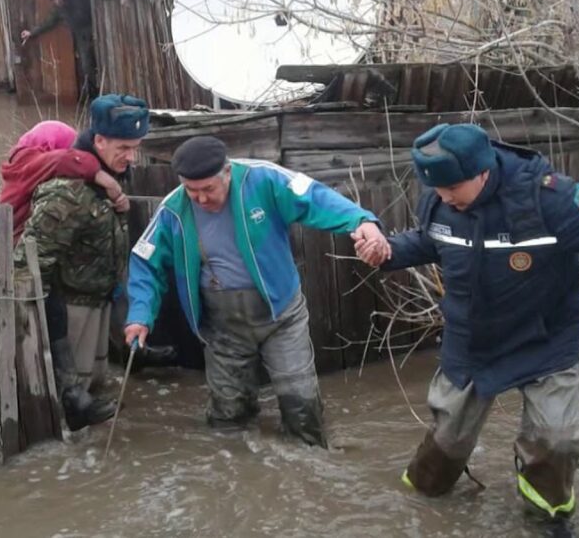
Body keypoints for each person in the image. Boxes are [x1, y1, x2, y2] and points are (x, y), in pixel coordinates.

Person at [358, 123, 579, 519]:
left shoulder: (548, 200)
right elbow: (432, 240)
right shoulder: (441, 201)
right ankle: (421, 507)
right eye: (436, 189)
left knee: (557, 441)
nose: (443, 197)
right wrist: (389, 252)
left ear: (483, 171)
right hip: (473, 340)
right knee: (447, 442)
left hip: (545, 340)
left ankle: (548, 517)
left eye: (452, 187)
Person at [123, 136, 390, 447]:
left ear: (227, 172)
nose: (201, 199)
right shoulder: (173, 209)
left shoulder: (264, 178)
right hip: (222, 327)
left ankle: (308, 459)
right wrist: (140, 315)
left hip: (281, 317)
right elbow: (145, 260)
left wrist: (361, 221)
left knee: (301, 408)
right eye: (192, 191)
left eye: (208, 189)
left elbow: (316, 197)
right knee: (228, 418)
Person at [17, 94, 154, 430]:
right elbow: (29, 264)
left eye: (135, 148)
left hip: (99, 303)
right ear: (99, 140)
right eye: (124, 148)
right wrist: (52, 334)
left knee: (95, 392)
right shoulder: (68, 191)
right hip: (71, 311)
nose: (131, 157)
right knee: (71, 408)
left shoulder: (109, 177)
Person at [0, 120, 127, 280]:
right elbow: (63, 159)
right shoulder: (29, 164)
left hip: (0, 257)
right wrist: (104, 178)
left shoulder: (26, 168)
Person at [19, 0, 97, 100]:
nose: (56, 1)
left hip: (92, 33)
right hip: (81, 37)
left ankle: (95, 92)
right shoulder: (59, 9)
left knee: (91, 64)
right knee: (85, 66)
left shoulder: (76, 1)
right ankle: (92, 95)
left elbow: (83, 17)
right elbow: (48, 23)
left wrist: (66, 13)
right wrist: (31, 32)